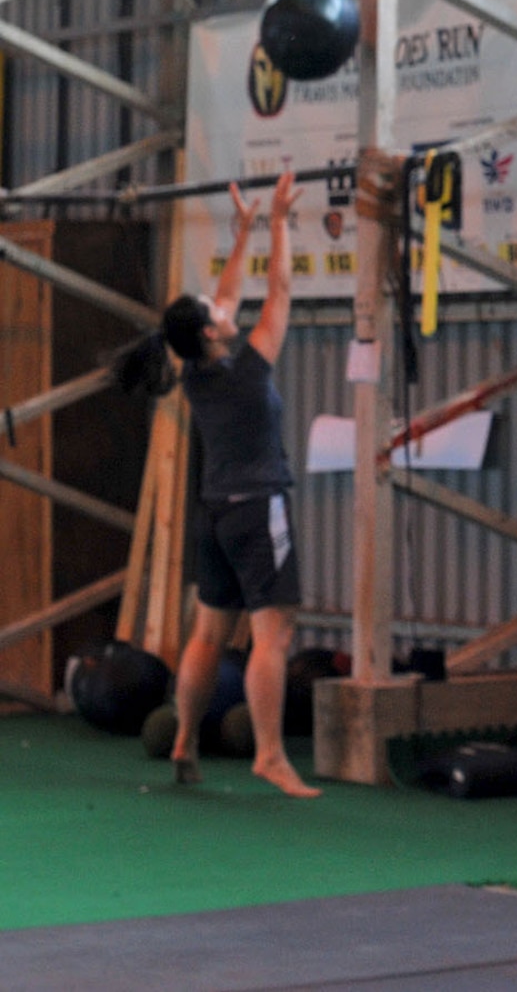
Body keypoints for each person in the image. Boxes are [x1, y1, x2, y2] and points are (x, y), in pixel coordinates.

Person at [124, 169, 319, 798]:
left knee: (209, 632)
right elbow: (280, 288)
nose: (223, 306)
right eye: (215, 311)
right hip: (258, 510)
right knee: (273, 634)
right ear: (211, 332)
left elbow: (226, 298)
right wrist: (281, 223)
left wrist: (242, 235)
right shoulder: (249, 369)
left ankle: (184, 739)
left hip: (213, 515)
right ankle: (268, 755)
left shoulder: (198, 371)